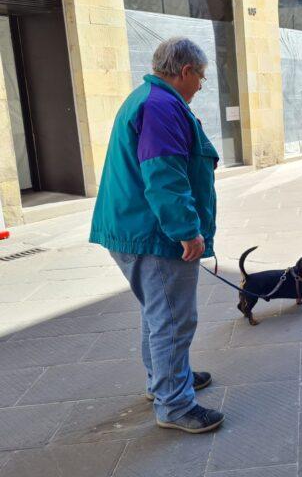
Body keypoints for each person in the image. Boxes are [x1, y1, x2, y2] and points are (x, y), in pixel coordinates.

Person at [89, 37, 224, 434]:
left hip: (134, 227)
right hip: (155, 234)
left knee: (158, 313)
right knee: (173, 320)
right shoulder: (162, 106)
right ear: (184, 71)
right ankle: (175, 404)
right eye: (200, 76)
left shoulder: (148, 97)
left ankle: (165, 380)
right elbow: (164, 175)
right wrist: (188, 231)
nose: (201, 85)